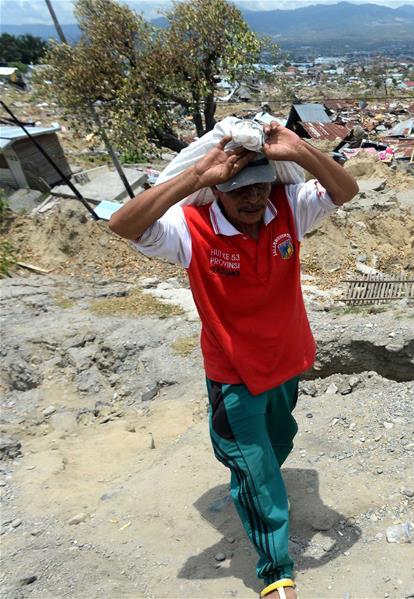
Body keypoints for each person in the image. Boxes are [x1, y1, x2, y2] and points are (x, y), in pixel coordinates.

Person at [108, 122, 358, 599]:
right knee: (257, 467)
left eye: (261, 185)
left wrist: (301, 150)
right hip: (234, 373)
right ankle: (275, 570)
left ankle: (251, 483)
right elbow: (122, 225)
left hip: (287, 360)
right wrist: (196, 176)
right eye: (239, 189)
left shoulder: (289, 209)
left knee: (280, 440)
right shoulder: (189, 229)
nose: (252, 199)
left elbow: (346, 190)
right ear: (217, 189)